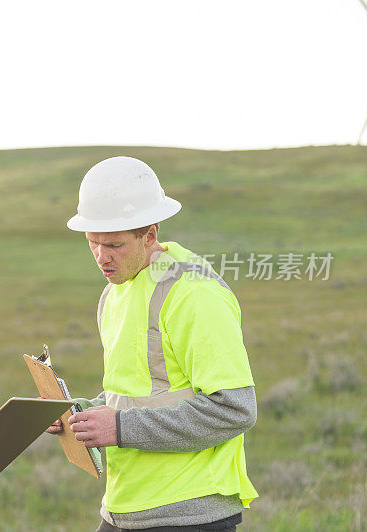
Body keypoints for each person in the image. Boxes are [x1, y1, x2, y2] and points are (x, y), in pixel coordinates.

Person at [47, 156, 258, 531]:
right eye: (92, 243)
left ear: (150, 234)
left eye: (113, 245)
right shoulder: (114, 294)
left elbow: (235, 410)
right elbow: (138, 392)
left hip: (187, 513)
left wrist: (121, 428)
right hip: (123, 508)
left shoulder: (194, 294)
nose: (101, 257)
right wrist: (84, 414)